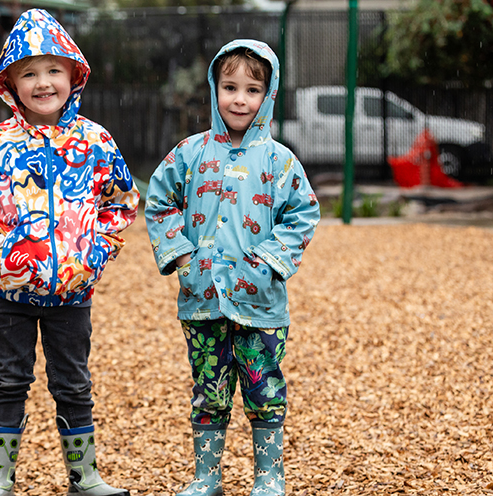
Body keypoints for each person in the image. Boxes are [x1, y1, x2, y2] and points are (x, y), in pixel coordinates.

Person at [0, 9, 138, 496]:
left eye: (53, 69)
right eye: (28, 73)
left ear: (74, 74)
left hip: (72, 293)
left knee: (73, 383)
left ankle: (85, 476)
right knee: (9, 379)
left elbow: (122, 202)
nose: (43, 82)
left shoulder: (95, 141)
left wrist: (95, 253)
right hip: (9, 294)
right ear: (9, 83)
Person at [144, 39, 320, 496]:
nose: (239, 99)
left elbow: (304, 214)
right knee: (209, 390)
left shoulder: (281, 161)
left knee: (264, 391)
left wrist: (269, 262)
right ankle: (207, 477)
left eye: (252, 90)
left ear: (268, 95)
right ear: (214, 89)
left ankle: (269, 476)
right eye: (229, 87)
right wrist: (181, 255)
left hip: (260, 303)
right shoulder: (189, 153)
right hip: (202, 300)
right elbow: (158, 202)